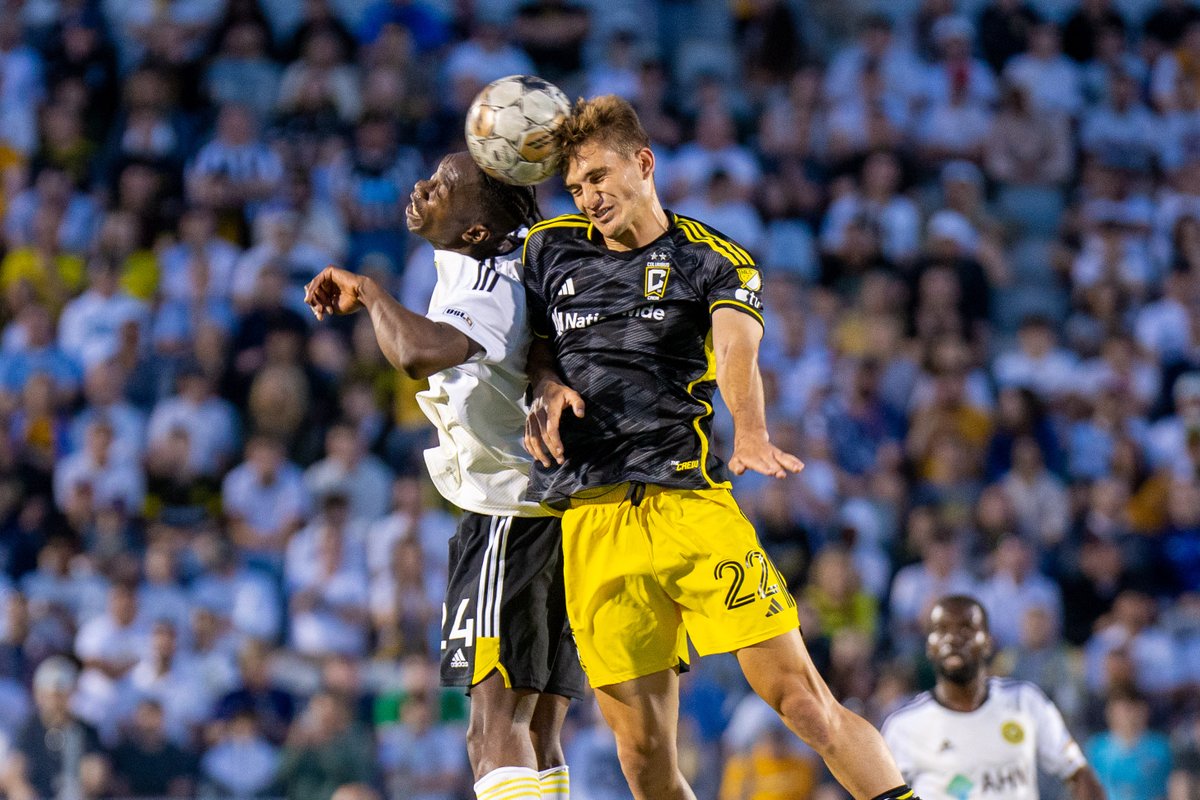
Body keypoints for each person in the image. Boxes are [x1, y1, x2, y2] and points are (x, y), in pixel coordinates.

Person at [521, 93, 919, 800]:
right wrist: (545, 383)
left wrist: (754, 430)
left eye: (599, 177)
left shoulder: (712, 259)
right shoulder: (550, 248)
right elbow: (529, 344)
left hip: (689, 508)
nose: (587, 196)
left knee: (802, 702)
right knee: (642, 755)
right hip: (591, 521)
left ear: (643, 163)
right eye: (576, 186)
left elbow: (737, 351)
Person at [303, 151, 584, 800]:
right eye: (430, 176)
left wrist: (371, 292)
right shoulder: (510, 256)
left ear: (476, 231)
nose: (421, 188)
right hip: (553, 514)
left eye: (442, 189)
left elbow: (418, 355)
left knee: (490, 728)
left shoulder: (487, 285)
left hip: (507, 517)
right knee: (537, 728)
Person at [881, 595, 1106, 800]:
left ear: (988, 642)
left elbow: (1078, 772)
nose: (953, 638)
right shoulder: (903, 727)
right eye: (942, 629)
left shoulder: (1025, 701)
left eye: (966, 628)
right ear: (929, 646)